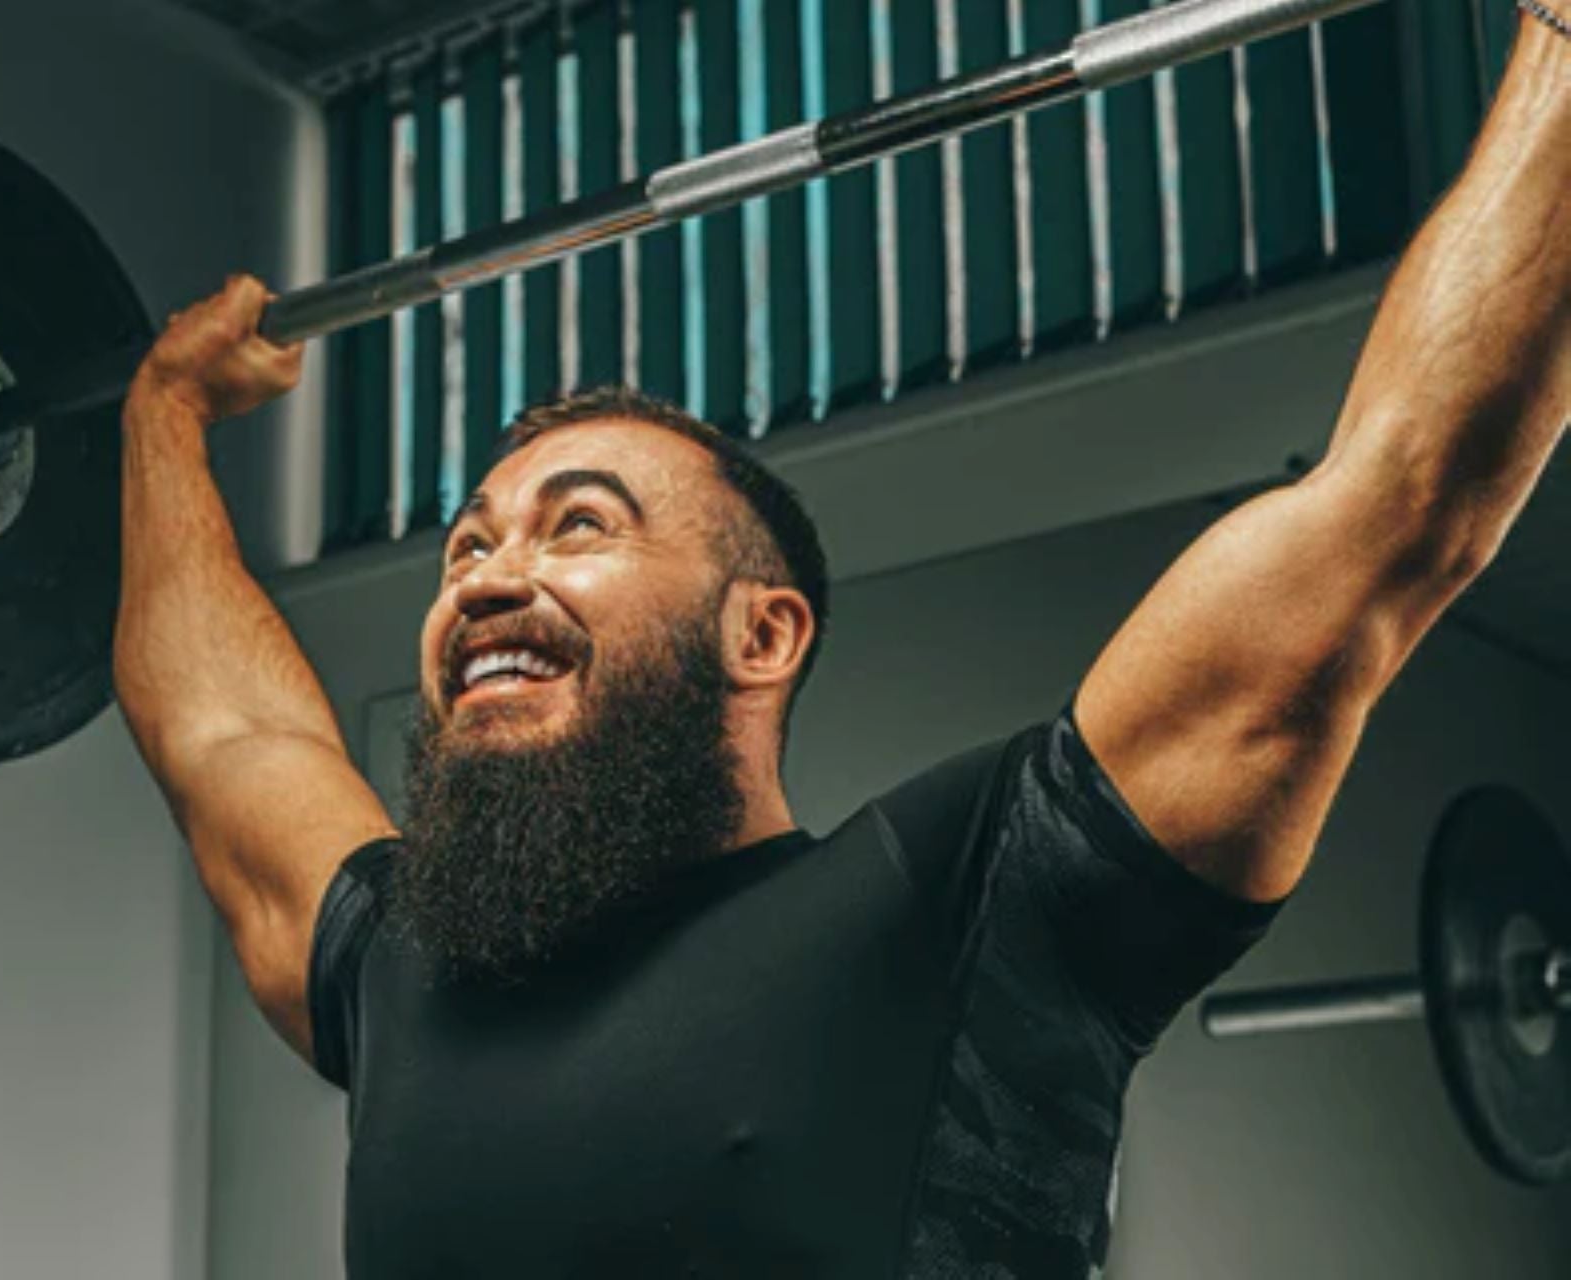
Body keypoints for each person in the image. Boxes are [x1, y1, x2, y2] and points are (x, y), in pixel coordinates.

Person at [113, 13, 1570, 1277]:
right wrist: (162, 417)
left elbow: (1398, 498)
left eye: (578, 527)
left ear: (764, 631)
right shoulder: (403, 971)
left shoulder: (974, 905)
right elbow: (227, 735)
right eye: (471, 545)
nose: (489, 578)